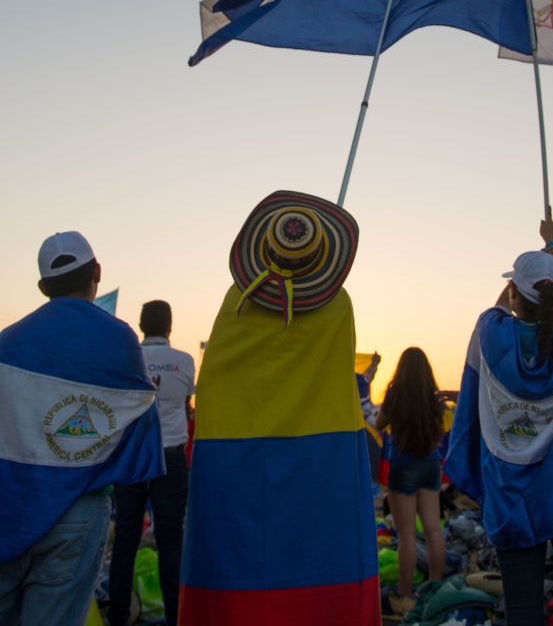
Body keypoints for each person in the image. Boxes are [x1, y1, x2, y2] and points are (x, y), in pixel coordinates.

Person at [178, 191, 380, 625]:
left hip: (236, 459)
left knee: (240, 562)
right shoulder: (337, 304)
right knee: (318, 561)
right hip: (319, 460)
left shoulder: (236, 302)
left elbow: (214, 383)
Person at [445, 212, 553, 626]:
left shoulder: (489, 332)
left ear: (513, 293)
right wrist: (552, 244)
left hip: (510, 496)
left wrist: (516, 286)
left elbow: (499, 308)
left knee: (521, 611)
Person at [0, 231, 164, 626]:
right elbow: (140, 418)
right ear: (97, 272)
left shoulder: (7, 343)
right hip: (80, 507)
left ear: (43, 287)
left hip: (9, 508)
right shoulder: (119, 338)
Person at [108, 300, 195, 626]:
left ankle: (118, 616)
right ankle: (176, 617)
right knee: (171, 541)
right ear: (169, 326)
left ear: (141, 326)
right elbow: (186, 404)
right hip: (170, 457)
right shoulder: (183, 361)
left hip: (132, 456)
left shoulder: (127, 359)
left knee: (126, 539)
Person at [376, 347, 446, 617]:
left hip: (403, 465)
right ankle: (436, 587)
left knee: (405, 534)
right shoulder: (433, 395)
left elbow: (380, 424)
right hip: (431, 464)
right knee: (433, 530)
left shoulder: (395, 392)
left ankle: (406, 594)